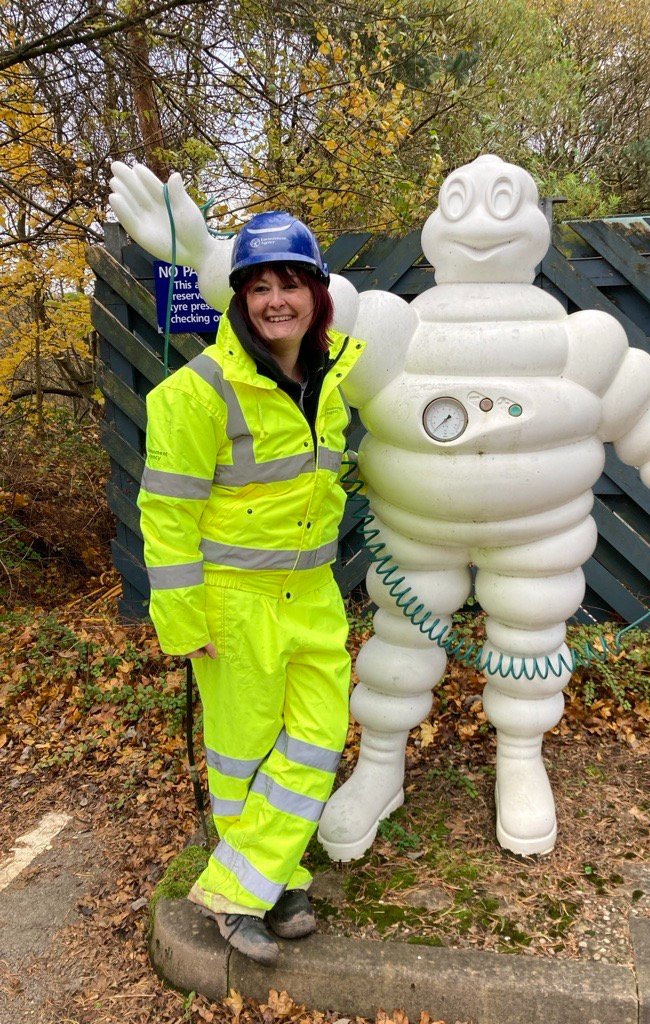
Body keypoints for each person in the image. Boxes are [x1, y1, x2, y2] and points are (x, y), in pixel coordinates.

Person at [137, 211, 366, 965]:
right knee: (243, 754)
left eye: (290, 284)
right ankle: (258, 891)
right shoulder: (193, 392)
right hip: (234, 605)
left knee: (318, 738)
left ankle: (255, 874)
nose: (276, 300)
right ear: (239, 298)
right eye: (259, 286)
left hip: (314, 597)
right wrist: (181, 614)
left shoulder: (331, 375)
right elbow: (166, 512)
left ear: (316, 295)